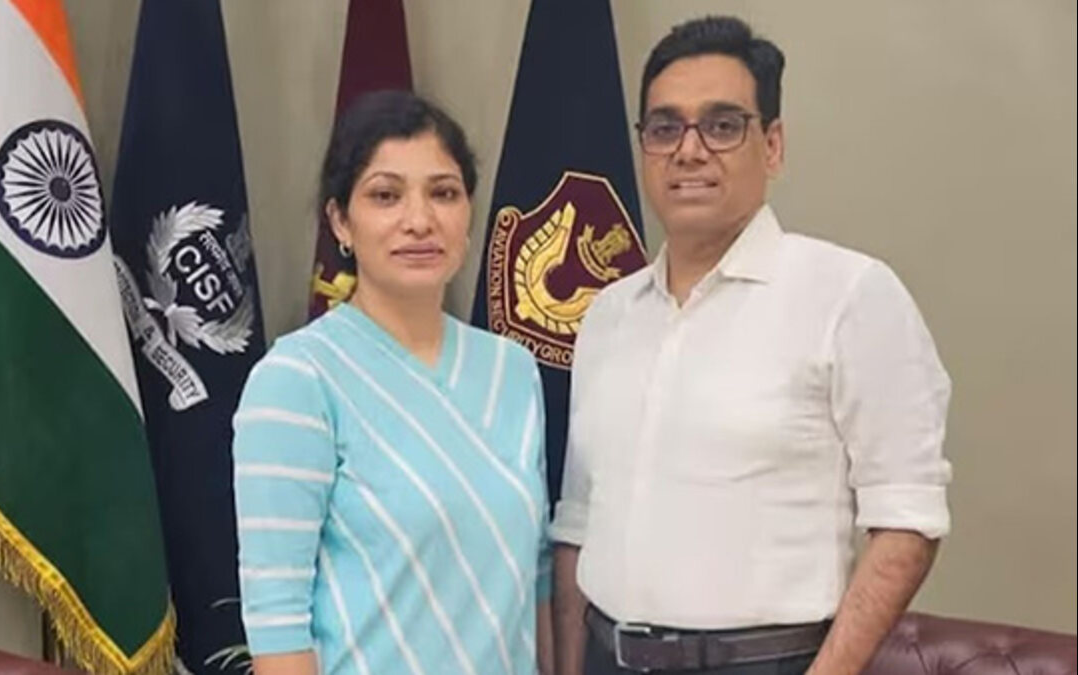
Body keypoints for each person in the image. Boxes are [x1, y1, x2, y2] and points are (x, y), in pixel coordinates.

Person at [551, 16, 952, 675]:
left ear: (772, 146)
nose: (689, 150)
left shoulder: (849, 294)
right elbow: (578, 521)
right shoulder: (608, 314)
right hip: (606, 655)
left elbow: (908, 518)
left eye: (721, 125)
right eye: (665, 128)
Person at [231, 90, 552, 675]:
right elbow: (277, 618)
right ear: (340, 221)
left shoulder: (512, 370)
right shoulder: (297, 379)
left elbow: (536, 578)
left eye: (443, 193)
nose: (419, 220)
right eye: (386, 195)